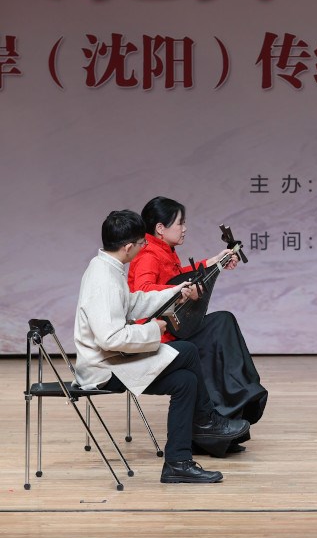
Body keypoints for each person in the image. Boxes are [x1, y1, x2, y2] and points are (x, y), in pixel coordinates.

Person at [74, 210, 250, 483]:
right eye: (142, 243)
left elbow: (133, 303)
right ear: (129, 247)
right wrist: (153, 330)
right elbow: (110, 339)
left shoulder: (108, 268)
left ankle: (178, 463)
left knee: (185, 381)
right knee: (188, 351)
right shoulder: (103, 280)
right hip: (104, 368)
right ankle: (206, 423)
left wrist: (175, 292)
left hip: (115, 359)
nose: (145, 247)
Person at [128, 197, 267, 454]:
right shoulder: (148, 254)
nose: (184, 228)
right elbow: (143, 292)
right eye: (180, 223)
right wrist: (180, 289)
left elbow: (180, 275)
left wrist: (216, 260)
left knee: (223, 321)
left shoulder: (164, 250)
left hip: (175, 328)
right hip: (160, 336)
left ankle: (233, 405)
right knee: (215, 336)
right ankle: (214, 422)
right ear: (160, 227)